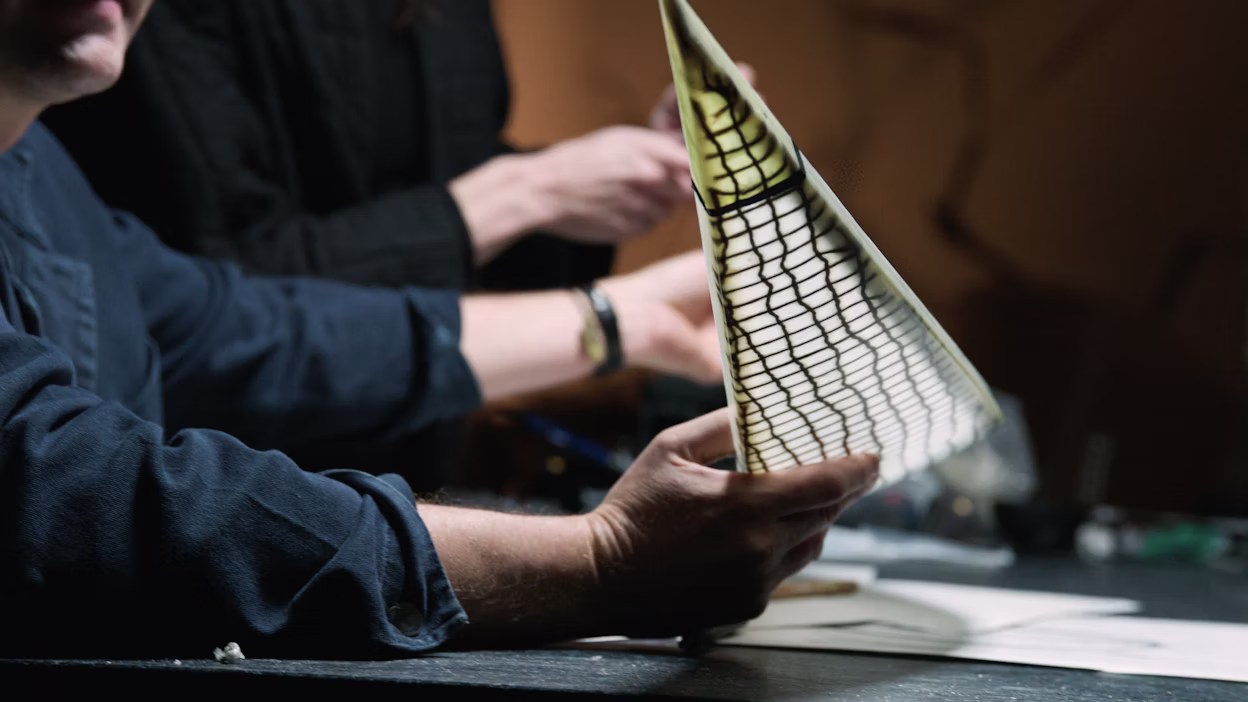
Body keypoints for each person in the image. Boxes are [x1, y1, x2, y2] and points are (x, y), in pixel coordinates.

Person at [0, 0, 877, 658]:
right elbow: (68, 491)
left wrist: (616, 318)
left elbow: (249, 331)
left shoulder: (43, 174)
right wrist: (597, 565)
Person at [42, 0, 723, 481]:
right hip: (234, 475)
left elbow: (447, 214)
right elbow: (225, 311)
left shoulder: (449, 17)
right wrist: (529, 192)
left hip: (415, 455)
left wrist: (599, 196)